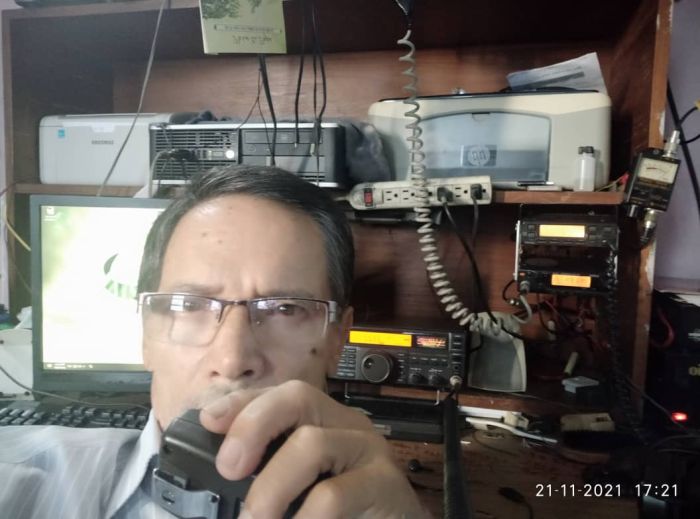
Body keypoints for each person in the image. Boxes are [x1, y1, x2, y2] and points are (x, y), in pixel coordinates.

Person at [0, 165, 430, 519]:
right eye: (190, 305)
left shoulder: (379, 505)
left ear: (337, 339)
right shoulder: (21, 479)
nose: (232, 359)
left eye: (284, 309)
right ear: (146, 333)